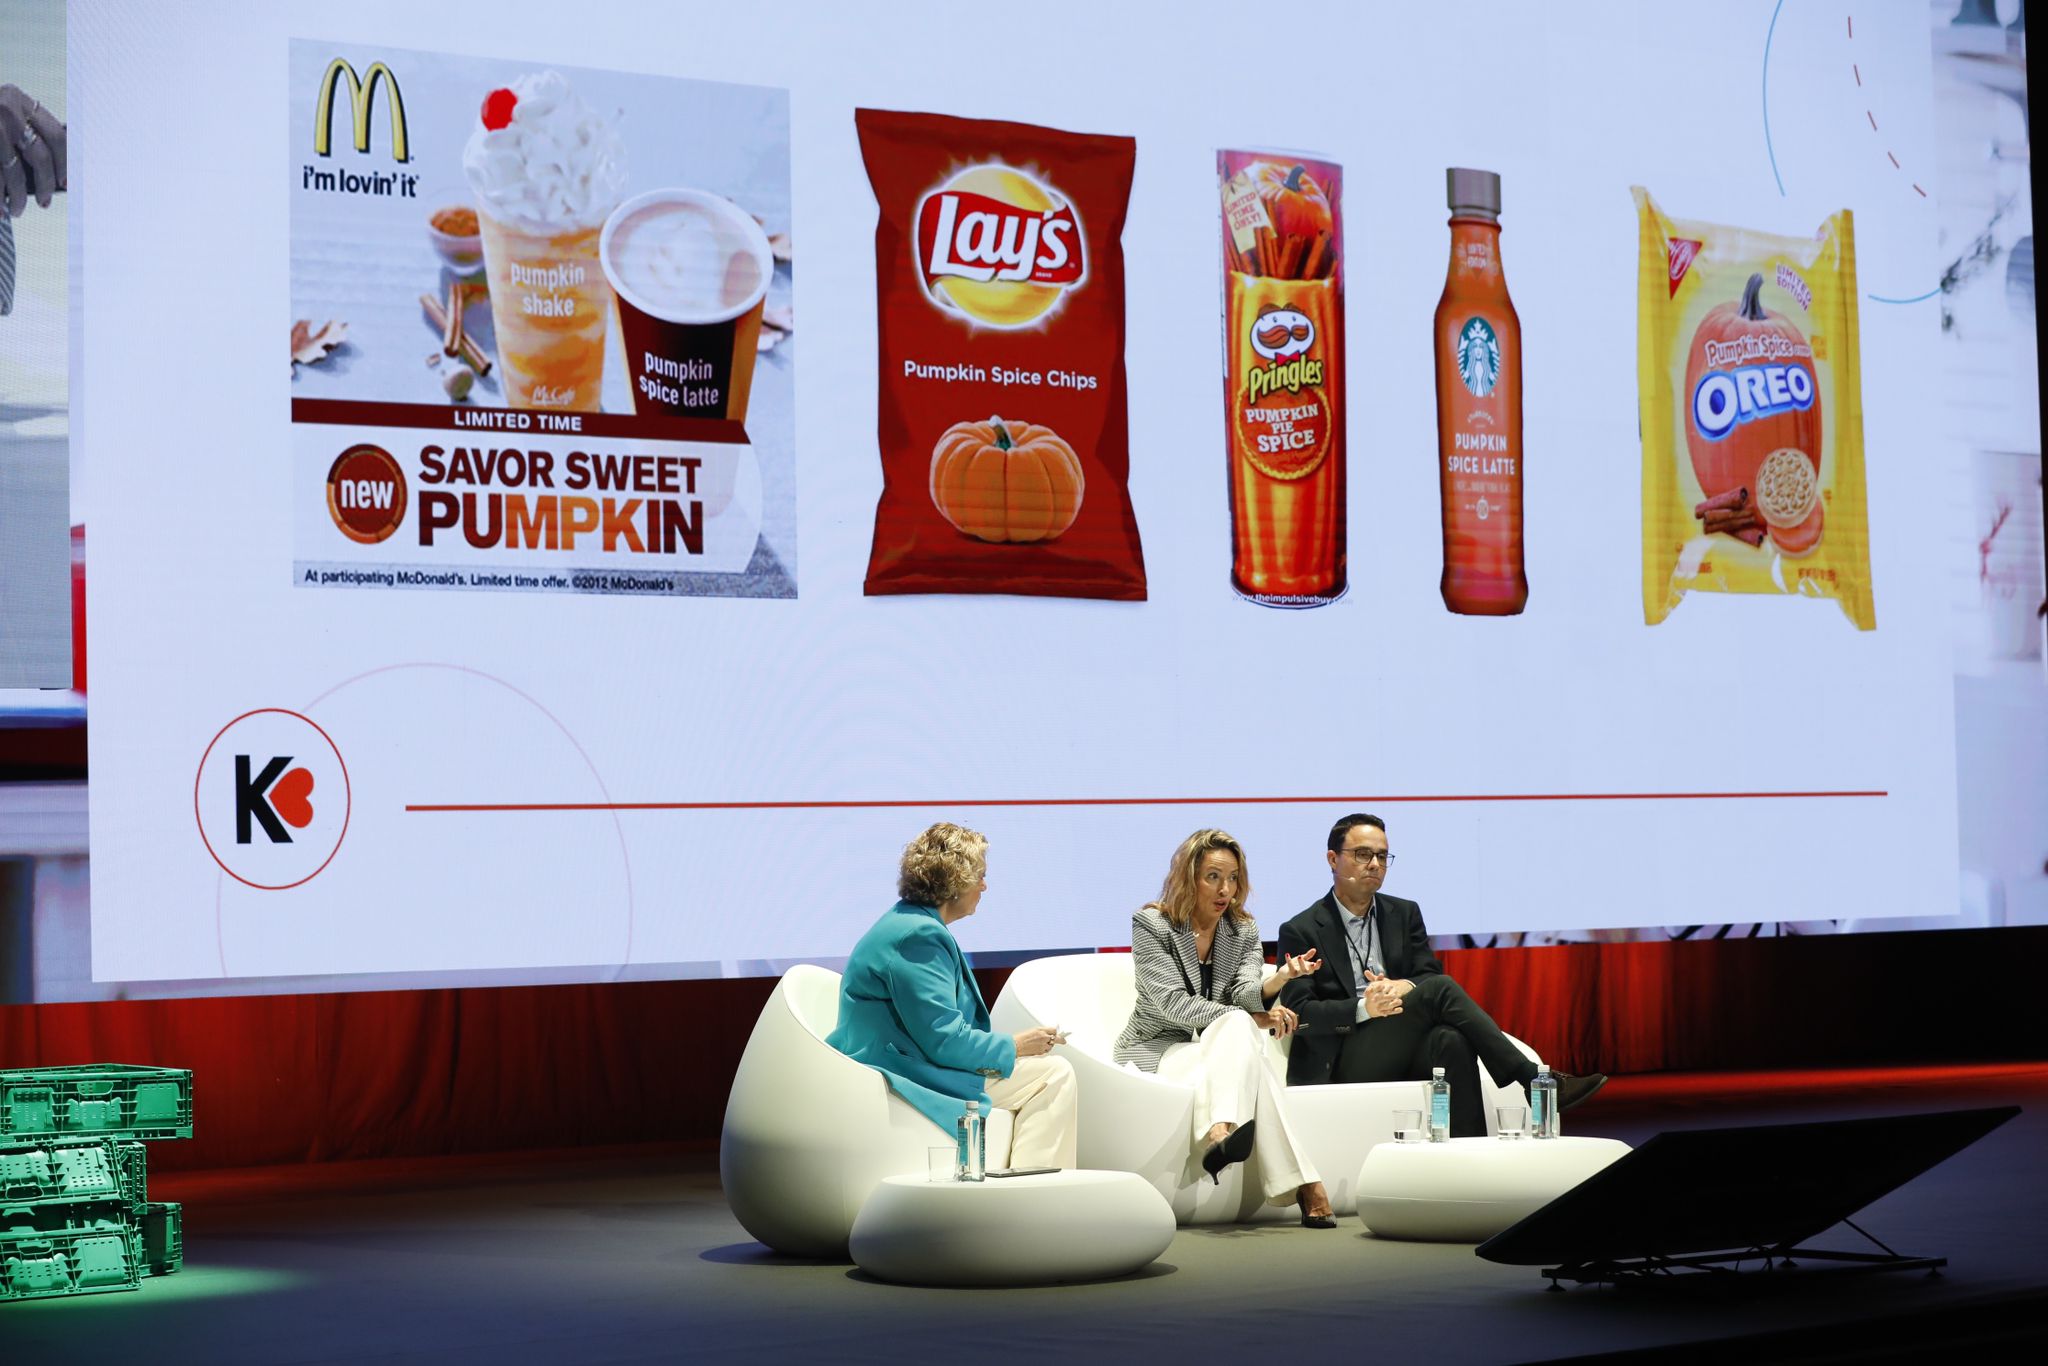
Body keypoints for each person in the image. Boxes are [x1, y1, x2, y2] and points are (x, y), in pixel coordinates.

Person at [1277, 813, 1607, 1136]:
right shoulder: (1301, 929)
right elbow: (1299, 1015)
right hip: (1342, 1057)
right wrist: (1365, 1008)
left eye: (1382, 856)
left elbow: (1426, 972)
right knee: (1441, 988)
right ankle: (1533, 1079)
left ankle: (1471, 1154)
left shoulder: (1403, 913)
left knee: (1452, 1040)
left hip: (1399, 1041)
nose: (1375, 864)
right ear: (1333, 859)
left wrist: (1403, 985)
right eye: (1363, 854)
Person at [1113, 828, 1337, 1228]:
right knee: (1251, 1053)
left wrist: (1279, 979)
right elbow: (1171, 1003)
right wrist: (1251, 1019)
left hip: (1219, 1050)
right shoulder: (1152, 925)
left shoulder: (1242, 929)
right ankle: (1306, 1184)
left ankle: (1221, 1132)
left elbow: (1244, 992)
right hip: (1158, 1046)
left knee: (1242, 1038)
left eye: (1233, 878)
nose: (1225, 890)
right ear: (1189, 877)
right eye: (1213, 877)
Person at [828, 822, 1077, 1169]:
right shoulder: (918, 937)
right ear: (955, 881)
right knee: (1053, 1075)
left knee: (1046, 1072)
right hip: (903, 1069)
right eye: (980, 876)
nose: (984, 886)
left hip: (902, 1056)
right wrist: (1016, 1046)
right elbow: (943, 1039)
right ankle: (1037, 1192)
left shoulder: (909, 923)